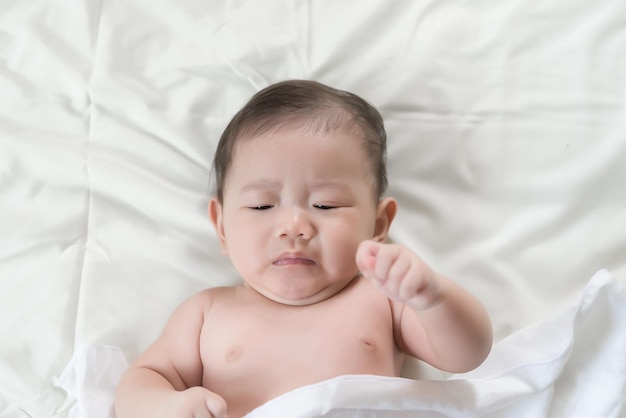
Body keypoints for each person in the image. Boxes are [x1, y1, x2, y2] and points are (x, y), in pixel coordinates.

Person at [114, 80, 493, 418]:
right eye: (263, 206)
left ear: (378, 226)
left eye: (325, 205)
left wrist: (434, 298)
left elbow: (465, 356)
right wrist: (166, 406)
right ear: (222, 227)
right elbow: (141, 380)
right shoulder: (207, 312)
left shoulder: (383, 299)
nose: (294, 227)